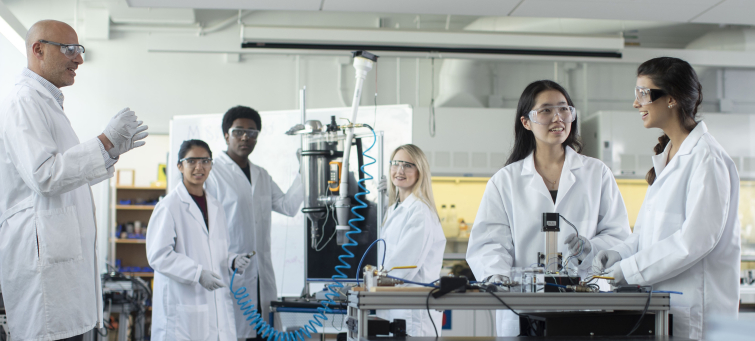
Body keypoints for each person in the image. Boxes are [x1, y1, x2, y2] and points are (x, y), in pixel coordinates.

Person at [0, 20, 148, 341]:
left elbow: (63, 183)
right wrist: (104, 142)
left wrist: (109, 152)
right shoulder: (24, 101)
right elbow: (45, 176)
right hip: (45, 286)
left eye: (79, 50)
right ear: (38, 50)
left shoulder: (46, 103)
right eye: (69, 50)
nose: (79, 59)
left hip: (63, 282)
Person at [466, 80, 631, 336]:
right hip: (522, 306)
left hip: (583, 302)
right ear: (526, 122)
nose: (558, 118)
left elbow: (619, 235)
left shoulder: (596, 173)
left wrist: (591, 247)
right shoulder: (505, 181)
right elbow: (488, 244)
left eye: (565, 109)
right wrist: (498, 278)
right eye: (546, 110)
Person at [593, 57, 741, 339]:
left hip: (698, 315)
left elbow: (695, 240)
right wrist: (621, 253)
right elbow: (652, 232)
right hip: (668, 310)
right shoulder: (671, 155)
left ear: (671, 99)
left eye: (643, 94)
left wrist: (628, 269)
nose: (636, 104)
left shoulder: (706, 159)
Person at [204, 106, 304, 340]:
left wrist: (305, 169)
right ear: (226, 134)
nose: (245, 137)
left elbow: (288, 207)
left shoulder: (262, 174)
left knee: (263, 333)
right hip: (230, 273)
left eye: (252, 132)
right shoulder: (213, 173)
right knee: (233, 332)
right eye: (239, 131)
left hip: (261, 276)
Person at [147, 140, 253, 341]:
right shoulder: (169, 206)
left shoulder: (216, 206)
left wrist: (231, 260)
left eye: (205, 161)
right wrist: (197, 273)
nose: (199, 167)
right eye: (192, 161)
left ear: (211, 165)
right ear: (180, 166)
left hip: (215, 304)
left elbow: (216, 250)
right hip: (183, 310)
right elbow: (159, 255)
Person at [375, 144, 446, 336]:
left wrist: (371, 283)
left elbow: (403, 266)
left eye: (407, 165)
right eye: (395, 163)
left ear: (419, 172)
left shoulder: (420, 211)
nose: (399, 170)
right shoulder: (395, 209)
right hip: (397, 305)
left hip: (413, 311)